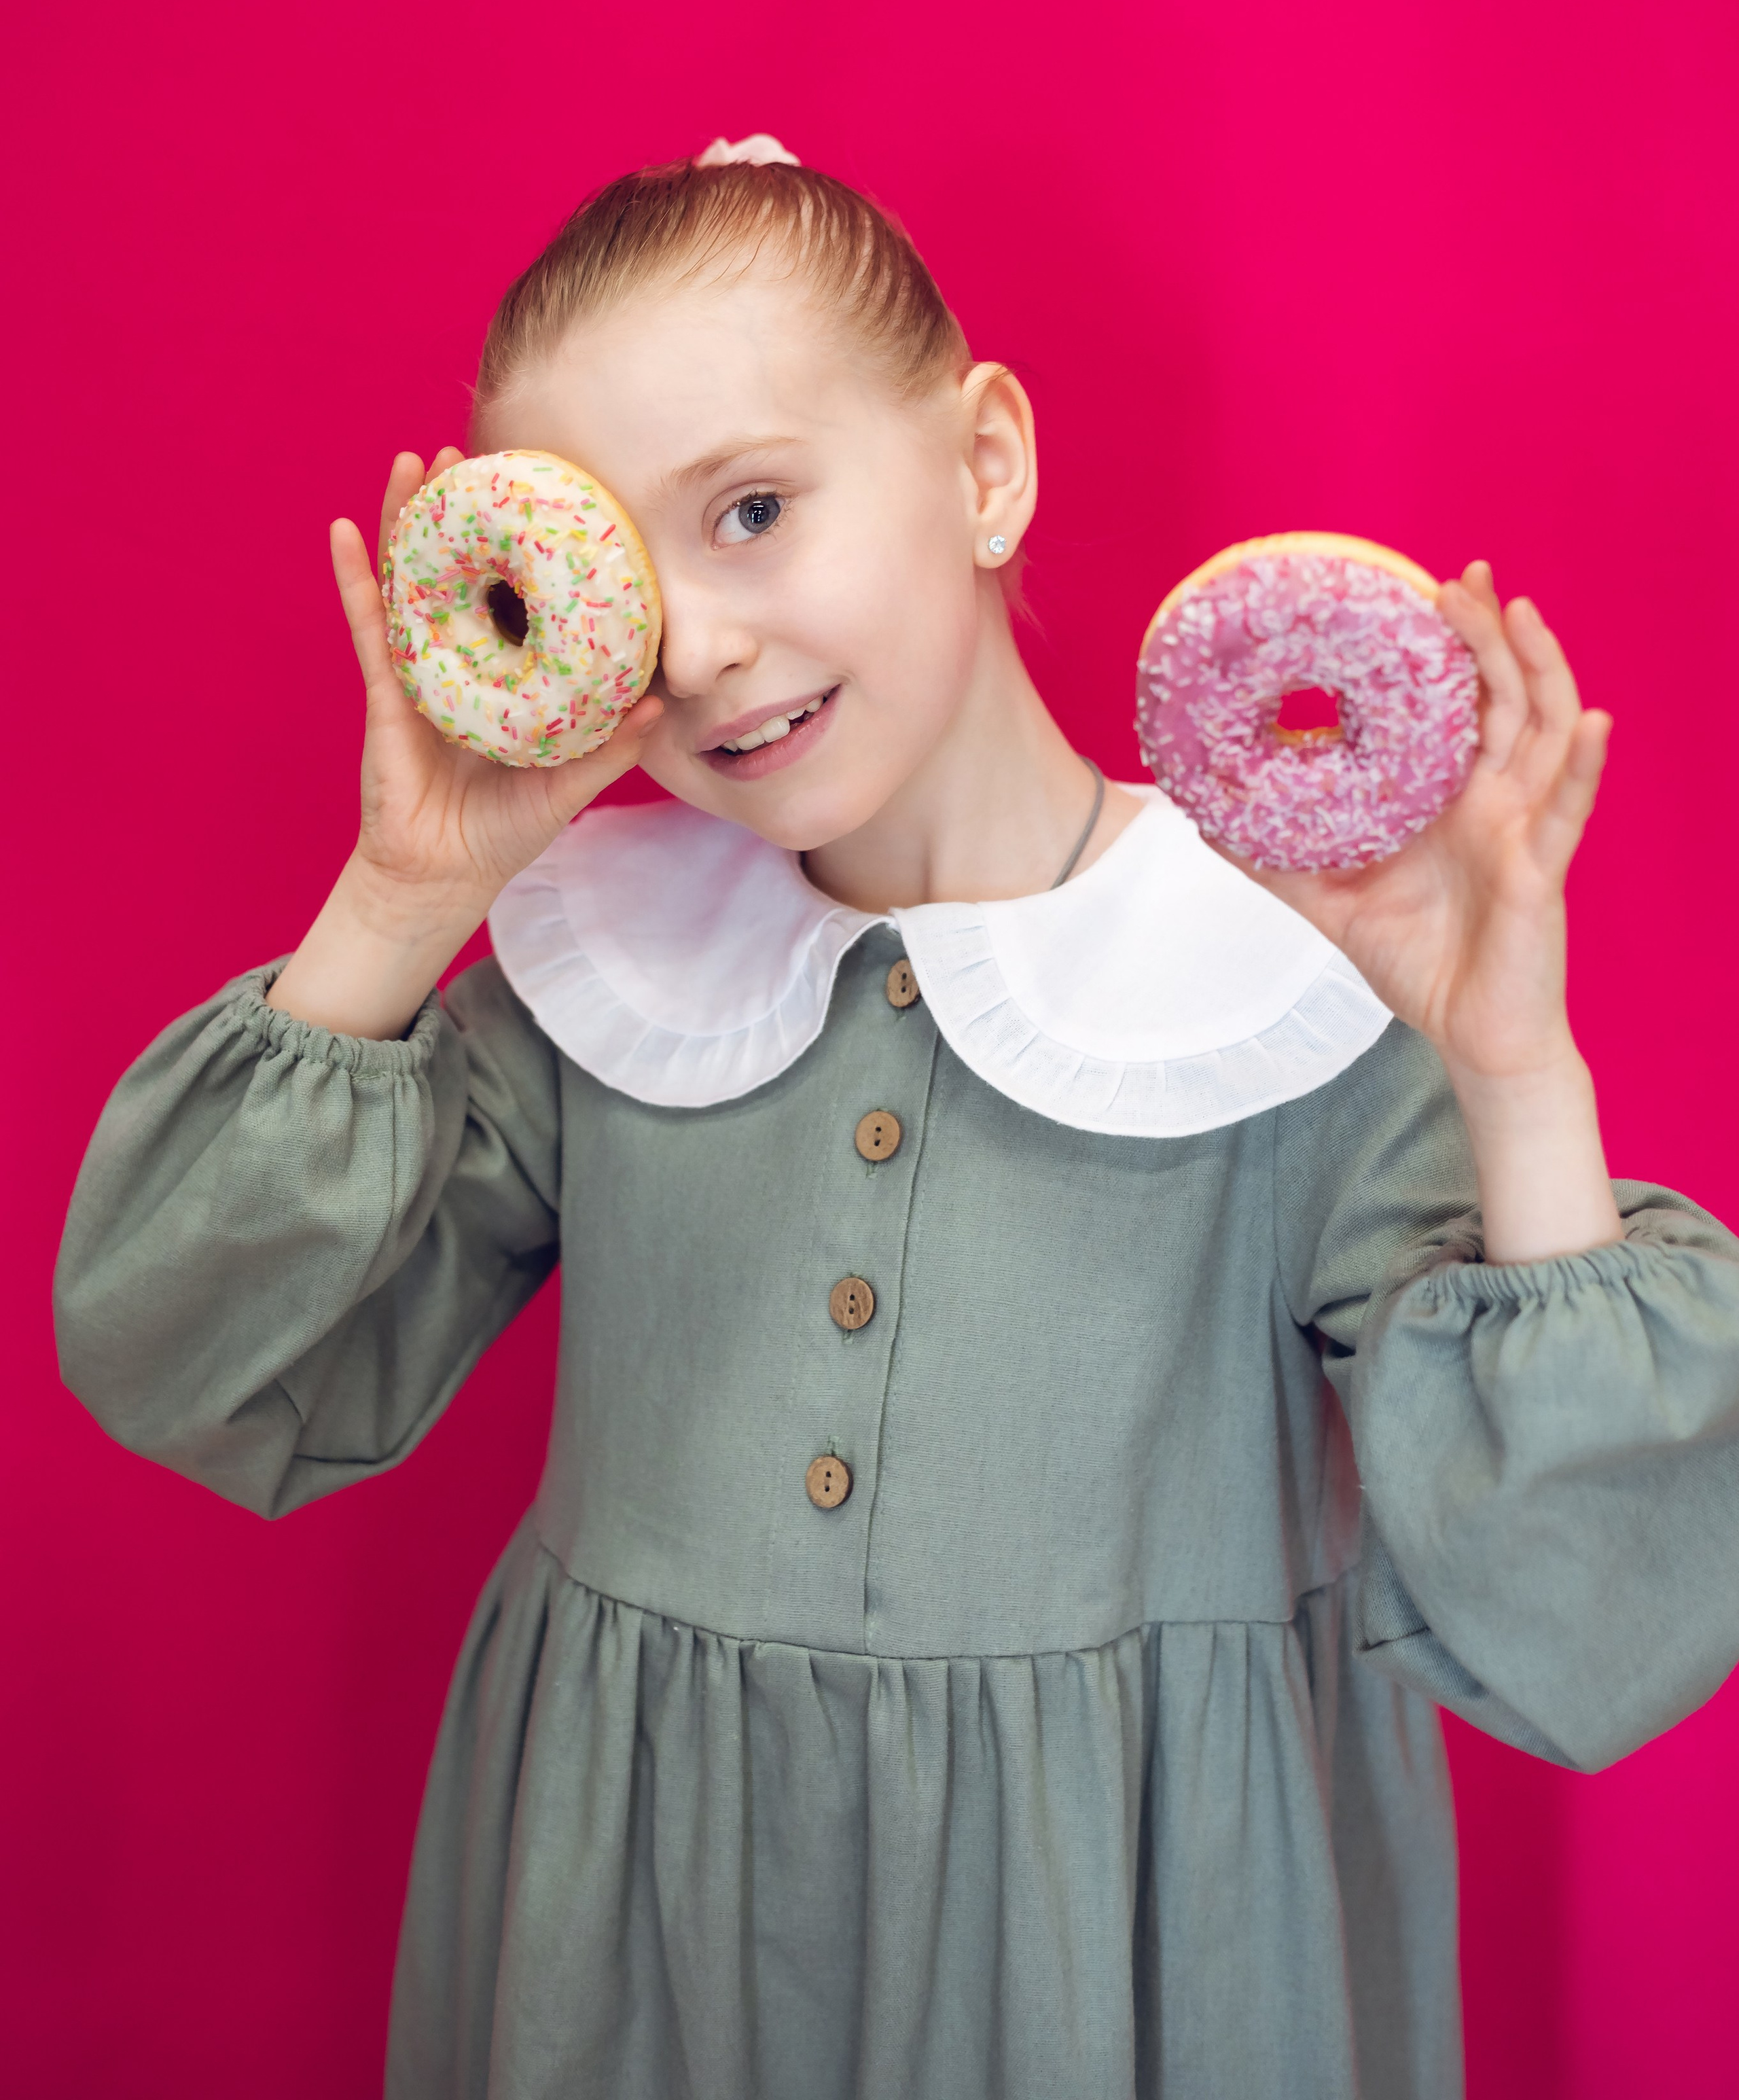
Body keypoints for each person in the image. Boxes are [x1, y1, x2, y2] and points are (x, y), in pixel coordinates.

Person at [58, 139, 1739, 2100]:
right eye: (609, 571)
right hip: (634, 1938)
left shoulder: (1278, 978)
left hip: (1131, 1951)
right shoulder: (604, 971)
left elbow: (1603, 1620)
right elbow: (191, 1359)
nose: (692, 649)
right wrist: (401, 897)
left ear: (986, 466)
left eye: (753, 510)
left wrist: (1513, 1070)